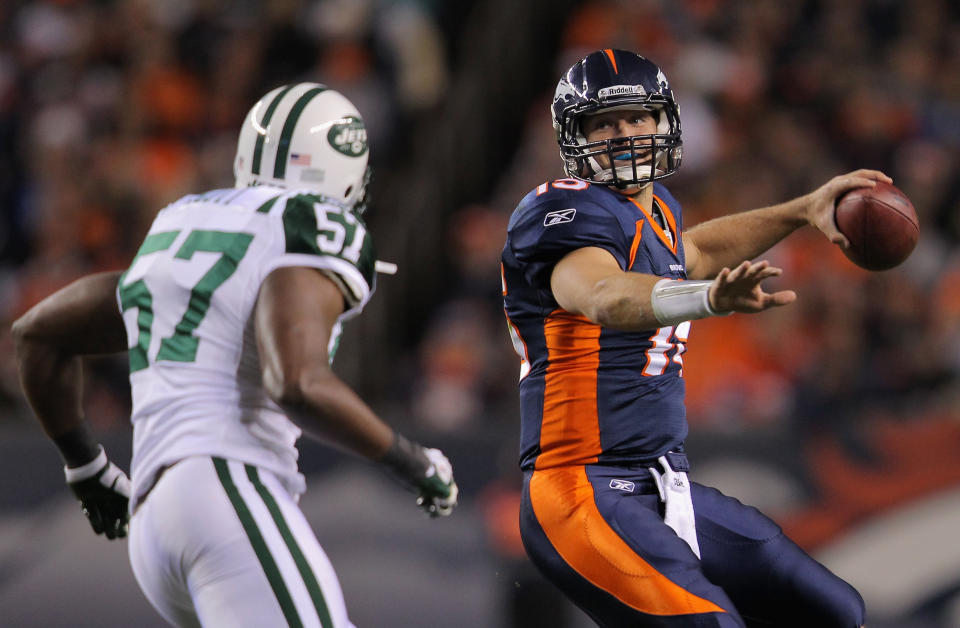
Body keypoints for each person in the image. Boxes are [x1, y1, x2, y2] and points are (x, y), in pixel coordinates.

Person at [13, 83, 458, 628]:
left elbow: (39, 333)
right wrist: (412, 462)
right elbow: (296, 382)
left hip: (153, 522)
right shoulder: (310, 224)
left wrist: (85, 467)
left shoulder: (182, 218)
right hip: (224, 486)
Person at [500, 49, 878, 627]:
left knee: (833, 612)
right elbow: (603, 295)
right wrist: (706, 300)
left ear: (664, 123)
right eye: (603, 122)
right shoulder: (560, 211)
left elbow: (694, 252)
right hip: (580, 490)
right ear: (576, 138)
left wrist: (803, 210)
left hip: (659, 485)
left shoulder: (657, 214)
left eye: (636, 117)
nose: (623, 133)